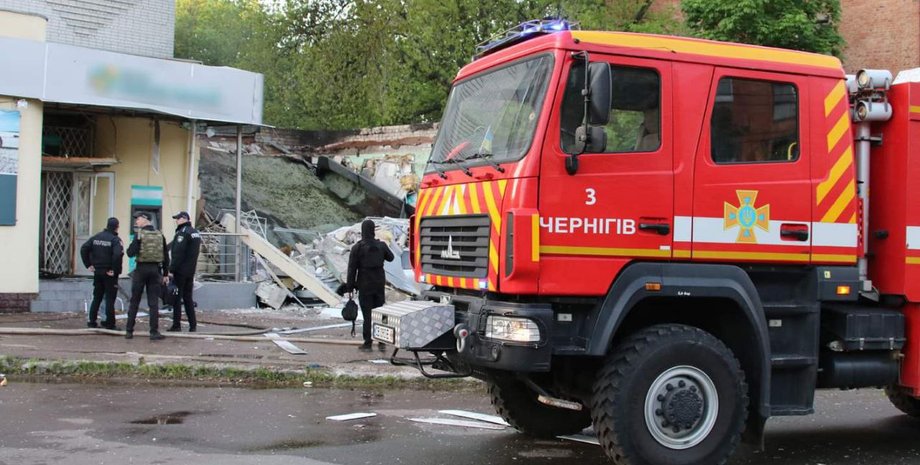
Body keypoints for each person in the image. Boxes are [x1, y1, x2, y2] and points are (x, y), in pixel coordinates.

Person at [345, 219, 394, 352]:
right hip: (379, 283)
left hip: (364, 284)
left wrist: (350, 287)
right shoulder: (382, 246)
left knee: (367, 314)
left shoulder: (357, 248)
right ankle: (382, 341)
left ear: (362, 231)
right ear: (373, 230)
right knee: (379, 313)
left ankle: (368, 342)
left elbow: (352, 269)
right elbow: (391, 258)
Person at [125, 212, 169, 340]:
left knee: (135, 301)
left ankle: (129, 331)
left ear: (145, 220)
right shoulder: (160, 235)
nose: (136, 222)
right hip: (155, 270)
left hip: (141, 269)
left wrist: (137, 242)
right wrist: (165, 273)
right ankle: (154, 332)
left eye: (138, 219)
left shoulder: (139, 235)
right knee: (153, 302)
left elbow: (130, 253)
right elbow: (166, 256)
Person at [79, 217, 124, 330]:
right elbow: (118, 255)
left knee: (97, 297)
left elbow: (84, 248)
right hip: (109, 273)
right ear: (117, 227)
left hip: (97, 272)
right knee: (110, 298)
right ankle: (109, 323)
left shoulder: (96, 237)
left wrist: (88, 264)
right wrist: (114, 269)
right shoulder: (115, 240)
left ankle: (92, 321)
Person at [167, 211, 201, 332]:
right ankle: (193, 325)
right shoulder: (195, 233)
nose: (176, 220)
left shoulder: (183, 233)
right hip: (190, 271)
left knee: (177, 298)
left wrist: (171, 269)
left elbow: (177, 253)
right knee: (188, 298)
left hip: (181, 271)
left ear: (184, 219)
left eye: (178, 218)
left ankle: (176, 325)